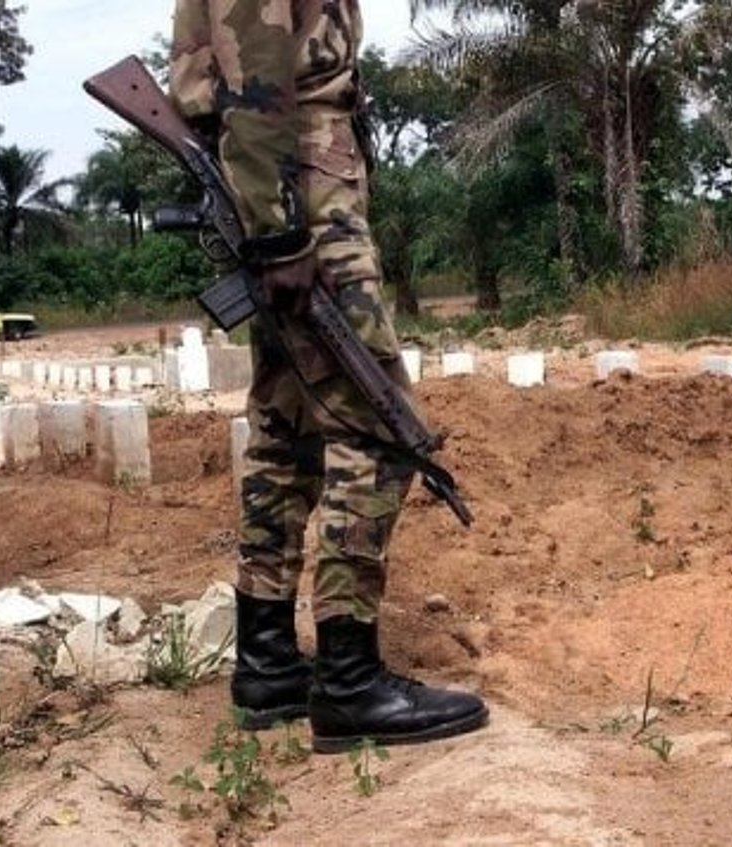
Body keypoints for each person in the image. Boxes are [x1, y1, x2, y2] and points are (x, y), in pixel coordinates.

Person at [169, 0, 488, 754]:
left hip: (291, 178)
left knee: (286, 429)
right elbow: (255, 71)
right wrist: (279, 233)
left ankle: (269, 662)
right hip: (301, 187)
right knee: (375, 429)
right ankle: (348, 680)